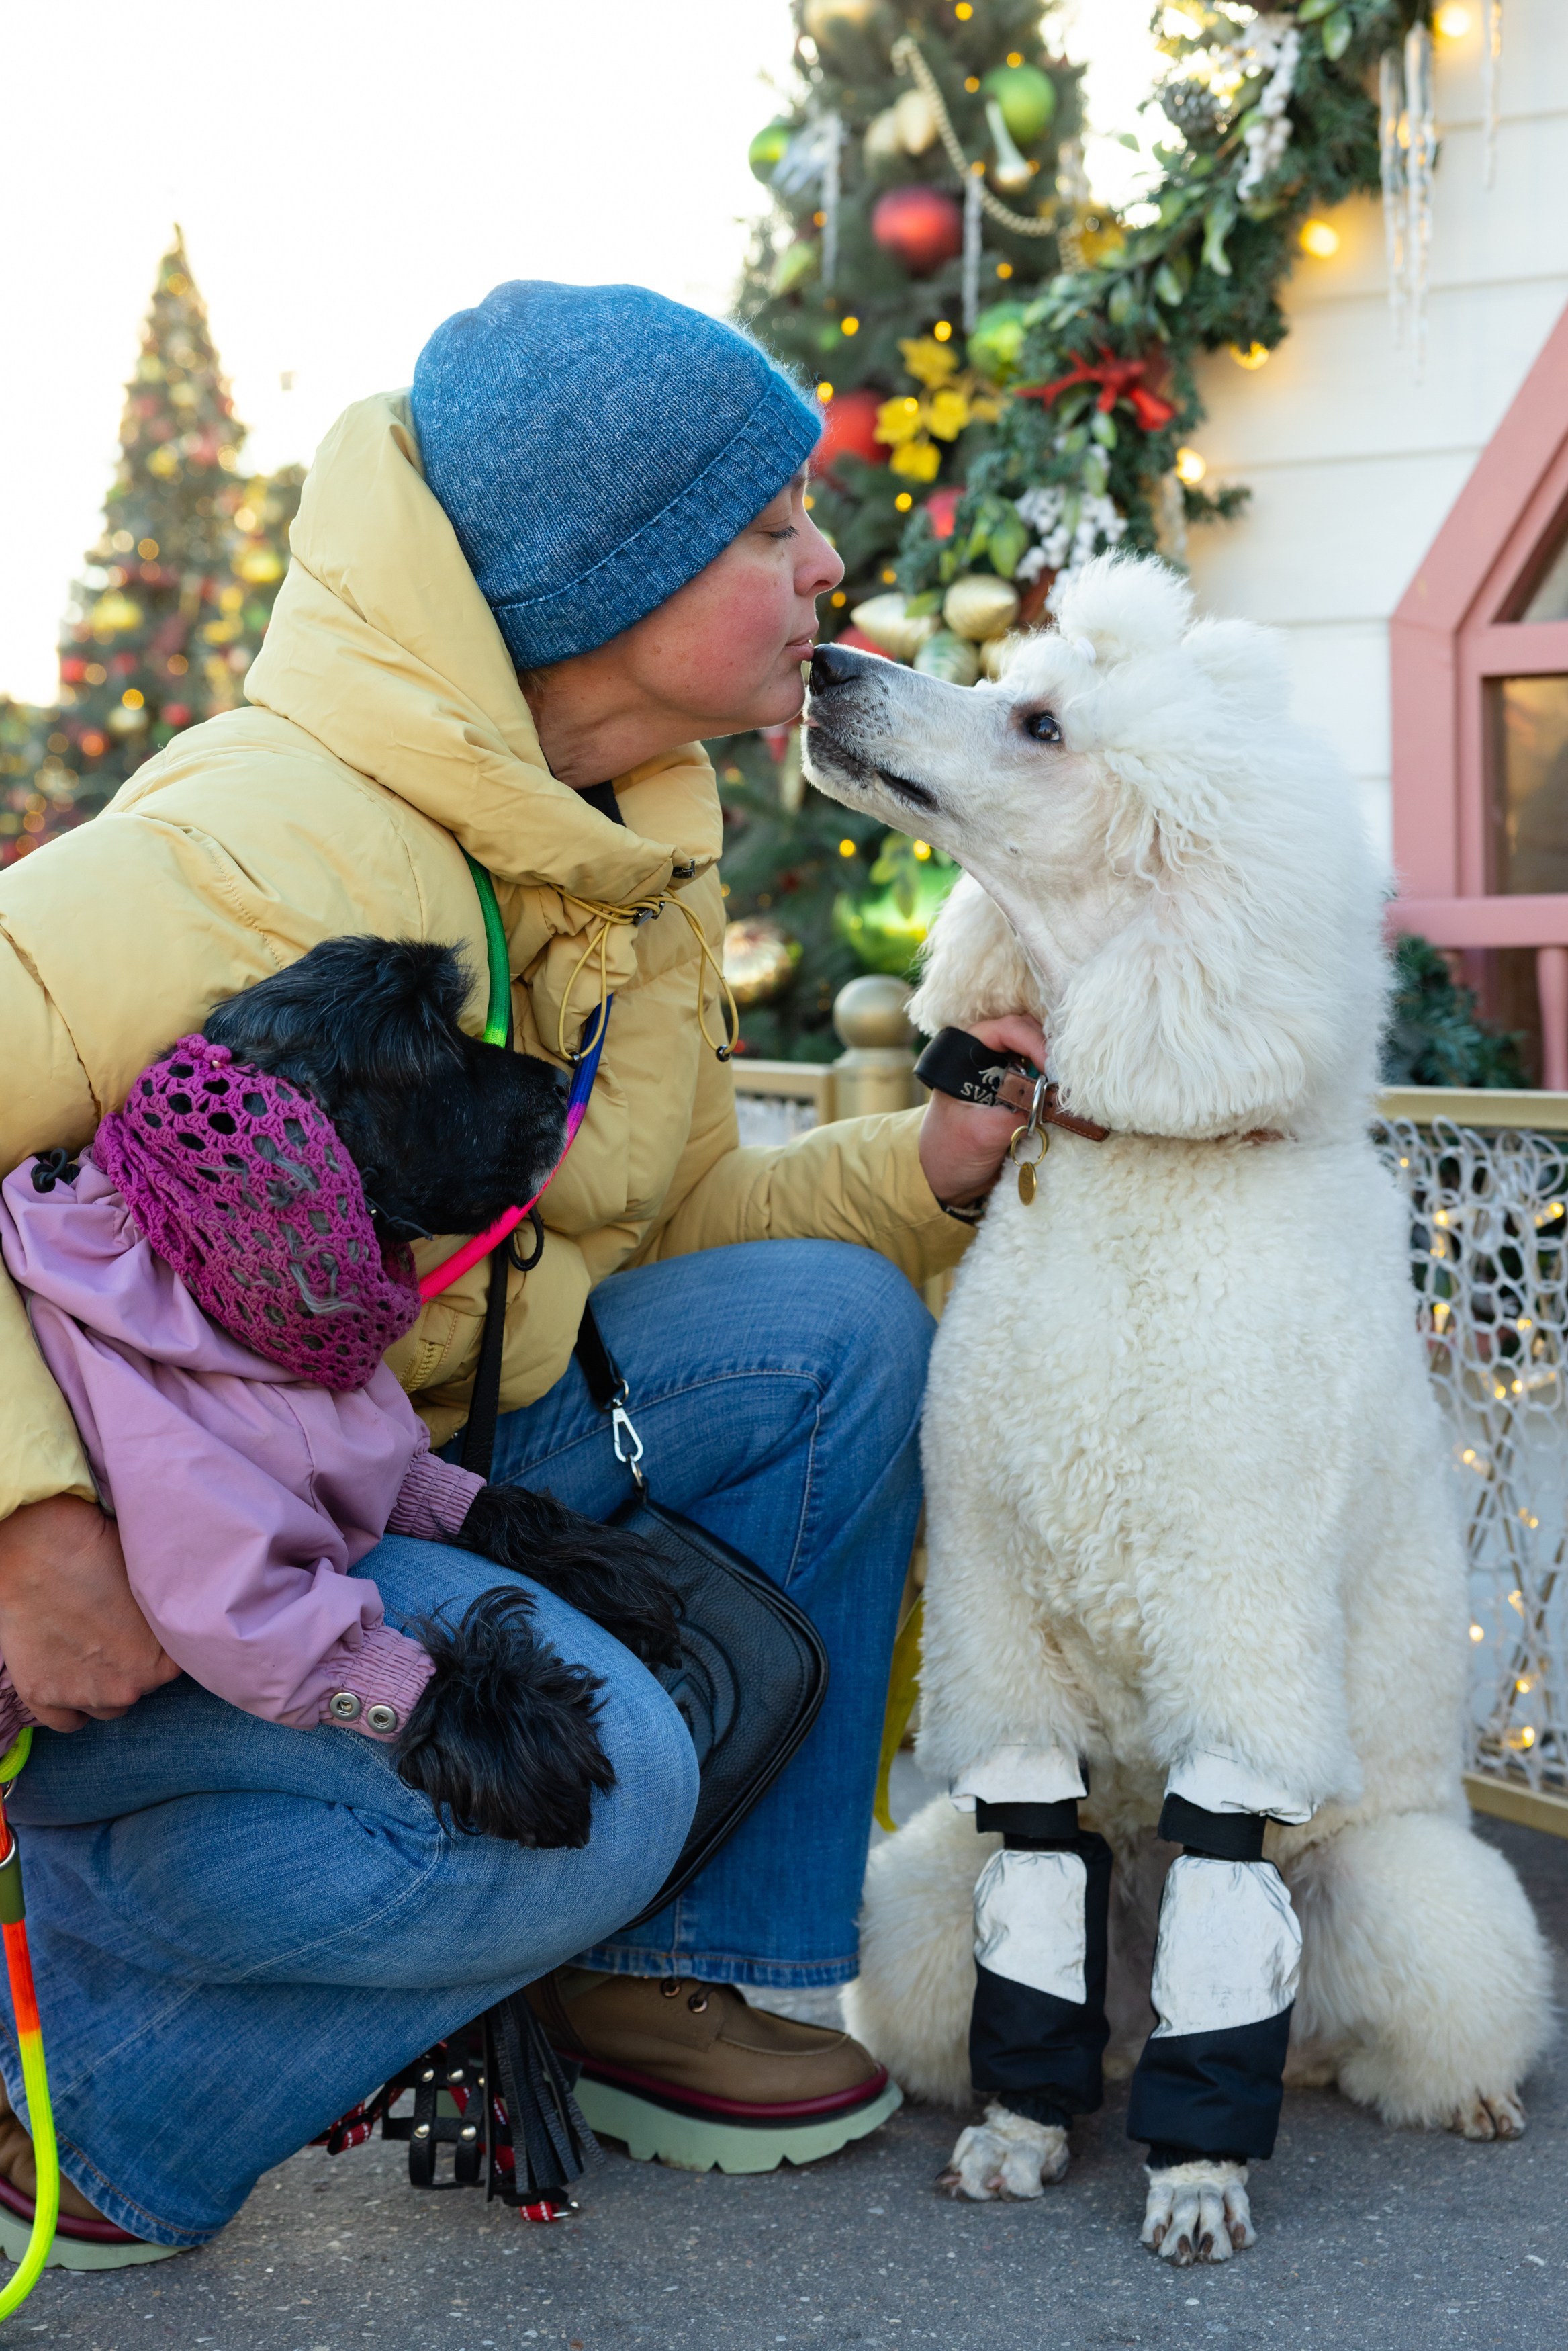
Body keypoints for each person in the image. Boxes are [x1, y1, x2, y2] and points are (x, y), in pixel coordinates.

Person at [0, 280, 1045, 2257]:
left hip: (418, 1437)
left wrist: (929, 1163)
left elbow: (661, 1219)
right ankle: (97, 2084)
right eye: (768, 529)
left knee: (830, 1332)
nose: (828, 562)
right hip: (199, 1538)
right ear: (603, 581)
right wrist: (30, 1515)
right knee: (604, 1765)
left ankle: (653, 1977)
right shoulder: (249, 843)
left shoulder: (638, 834)